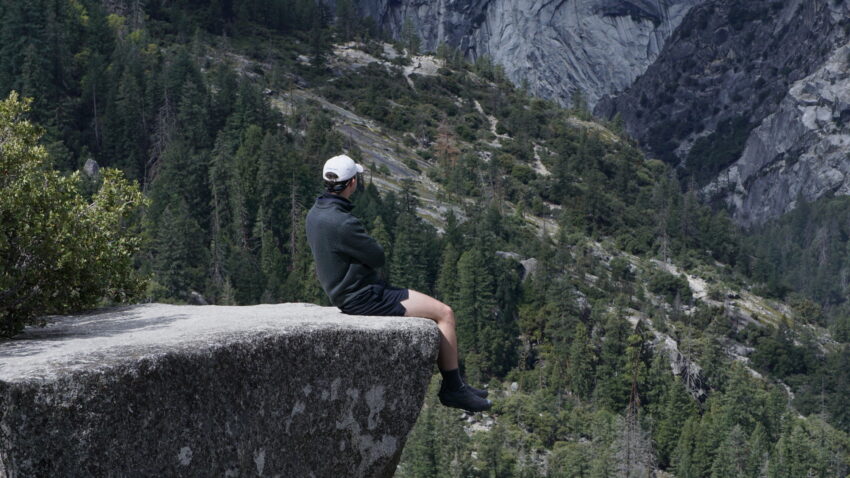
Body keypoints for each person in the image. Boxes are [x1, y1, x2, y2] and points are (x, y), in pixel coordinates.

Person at [305, 154, 492, 413]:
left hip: (346, 292)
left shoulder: (316, 212)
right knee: (445, 314)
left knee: (440, 312)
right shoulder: (342, 222)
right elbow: (377, 255)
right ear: (352, 183)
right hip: (363, 296)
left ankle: (458, 383)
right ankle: (453, 389)